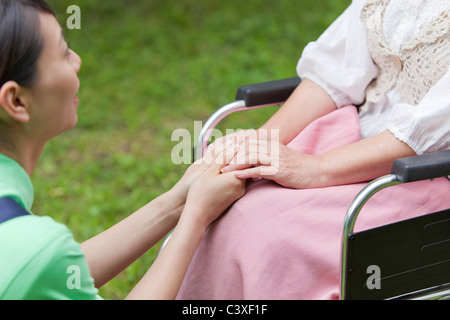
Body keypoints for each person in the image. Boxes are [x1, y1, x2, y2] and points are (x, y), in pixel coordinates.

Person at [176, 0, 450, 299]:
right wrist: (262, 142)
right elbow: (335, 73)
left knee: (264, 230)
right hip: (352, 134)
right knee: (232, 190)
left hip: (424, 173)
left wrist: (311, 168)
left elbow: (424, 135)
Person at [0, 0, 245, 300]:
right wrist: (196, 217)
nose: (77, 61)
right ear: (16, 102)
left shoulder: (27, 253)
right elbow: (37, 265)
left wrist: (177, 202)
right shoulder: (33, 252)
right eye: (64, 52)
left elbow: (51, 273)